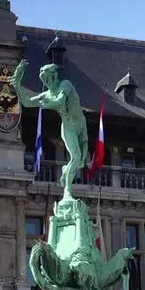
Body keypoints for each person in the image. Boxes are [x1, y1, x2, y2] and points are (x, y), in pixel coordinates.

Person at [10, 60, 88, 200]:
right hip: (69, 125)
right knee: (76, 158)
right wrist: (17, 85)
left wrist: (46, 104)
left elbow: (60, 101)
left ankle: (66, 172)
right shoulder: (46, 94)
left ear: (54, 76)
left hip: (81, 124)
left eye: (48, 79)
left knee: (81, 161)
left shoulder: (65, 85)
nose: (46, 83)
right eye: (44, 80)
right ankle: (68, 192)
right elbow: (27, 102)